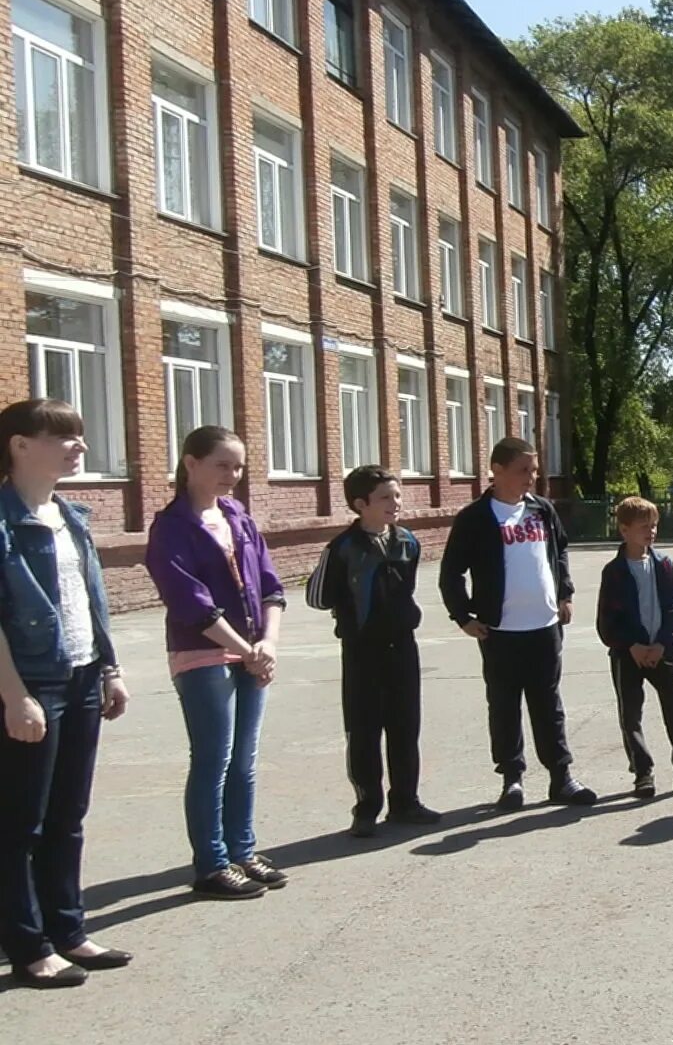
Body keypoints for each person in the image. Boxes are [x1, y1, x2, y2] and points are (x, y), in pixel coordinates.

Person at [0, 399, 130, 986]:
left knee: (67, 817)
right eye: (64, 437)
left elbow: (90, 603)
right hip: (31, 684)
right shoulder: (3, 520)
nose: (79, 445)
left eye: (80, 435)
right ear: (21, 445)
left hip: (80, 678)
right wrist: (14, 697)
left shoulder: (70, 516)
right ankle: (28, 947)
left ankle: (69, 930)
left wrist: (108, 669)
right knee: (20, 822)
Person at [146, 425, 289, 898]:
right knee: (213, 759)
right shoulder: (171, 526)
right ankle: (211, 863)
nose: (233, 475)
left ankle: (242, 850)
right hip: (203, 651)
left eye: (239, 465)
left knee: (244, 761)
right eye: (222, 465)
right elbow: (190, 602)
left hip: (252, 651)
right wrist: (247, 651)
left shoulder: (237, 517)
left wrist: (267, 643)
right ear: (191, 464)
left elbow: (270, 585)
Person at [438, 436, 596, 809]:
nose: (532, 477)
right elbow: (451, 573)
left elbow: (559, 553)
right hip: (500, 631)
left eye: (535, 469)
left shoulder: (541, 510)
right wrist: (464, 617)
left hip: (544, 627)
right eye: (524, 470)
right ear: (497, 470)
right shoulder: (476, 518)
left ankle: (562, 778)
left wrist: (565, 594)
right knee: (504, 706)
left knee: (548, 704)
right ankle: (512, 780)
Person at [304, 465, 440, 837]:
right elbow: (317, 596)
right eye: (385, 498)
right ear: (360, 504)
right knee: (364, 730)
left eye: (397, 496)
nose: (394, 503)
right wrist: (348, 613)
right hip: (362, 651)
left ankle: (406, 802)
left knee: (405, 725)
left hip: (403, 648)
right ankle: (367, 807)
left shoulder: (407, 542)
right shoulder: (343, 548)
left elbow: (407, 588)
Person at [596, 496, 673, 800]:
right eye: (643, 527)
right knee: (631, 714)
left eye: (654, 526)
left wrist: (664, 643)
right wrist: (631, 645)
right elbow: (607, 620)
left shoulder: (664, 565)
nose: (650, 532)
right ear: (624, 530)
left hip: (661, 651)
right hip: (629, 654)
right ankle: (642, 773)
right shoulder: (613, 571)